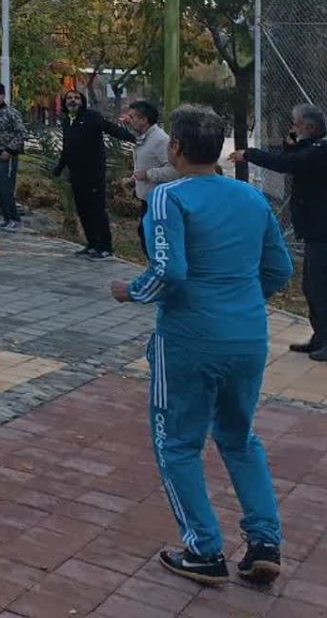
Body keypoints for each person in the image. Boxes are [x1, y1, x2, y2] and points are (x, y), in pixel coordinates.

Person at [111, 105, 292, 588]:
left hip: (189, 339)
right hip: (248, 335)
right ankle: (265, 542)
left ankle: (204, 549)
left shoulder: (169, 196)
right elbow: (280, 270)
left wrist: (131, 291)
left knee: (177, 443)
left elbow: (169, 271)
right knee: (239, 436)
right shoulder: (251, 198)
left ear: (175, 147)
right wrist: (240, 300)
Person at [229, 103, 327, 359]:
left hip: (322, 232)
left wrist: (248, 154)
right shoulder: (313, 146)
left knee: (321, 288)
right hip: (315, 231)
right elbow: (294, 156)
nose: (292, 128)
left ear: (310, 127)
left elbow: (286, 163)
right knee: (311, 287)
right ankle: (320, 337)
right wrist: (292, 143)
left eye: (296, 125)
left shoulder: (320, 151)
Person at [52, 87, 136, 259]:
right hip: (76, 174)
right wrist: (59, 167)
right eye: (69, 98)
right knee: (83, 209)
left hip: (93, 173)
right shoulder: (67, 121)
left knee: (96, 209)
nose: (73, 101)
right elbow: (67, 147)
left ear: (82, 101)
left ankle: (105, 247)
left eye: (76, 98)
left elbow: (110, 128)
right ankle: (92, 244)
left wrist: (133, 138)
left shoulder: (92, 117)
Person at [124, 99, 177, 256]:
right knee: (144, 235)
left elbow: (174, 171)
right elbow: (146, 163)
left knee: (153, 240)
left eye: (132, 117)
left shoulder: (160, 140)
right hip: (146, 198)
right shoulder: (144, 138)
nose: (129, 120)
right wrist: (134, 178)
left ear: (144, 119)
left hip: (158, 201)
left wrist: (147, 174)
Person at [0, 83, 29, 231]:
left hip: (7, 155)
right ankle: (6, 218)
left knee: (5, 187)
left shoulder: (11, 113)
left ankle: (15, 219)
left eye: (0, 94)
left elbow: (22, 133)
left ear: (4, 95)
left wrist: (9, 149)